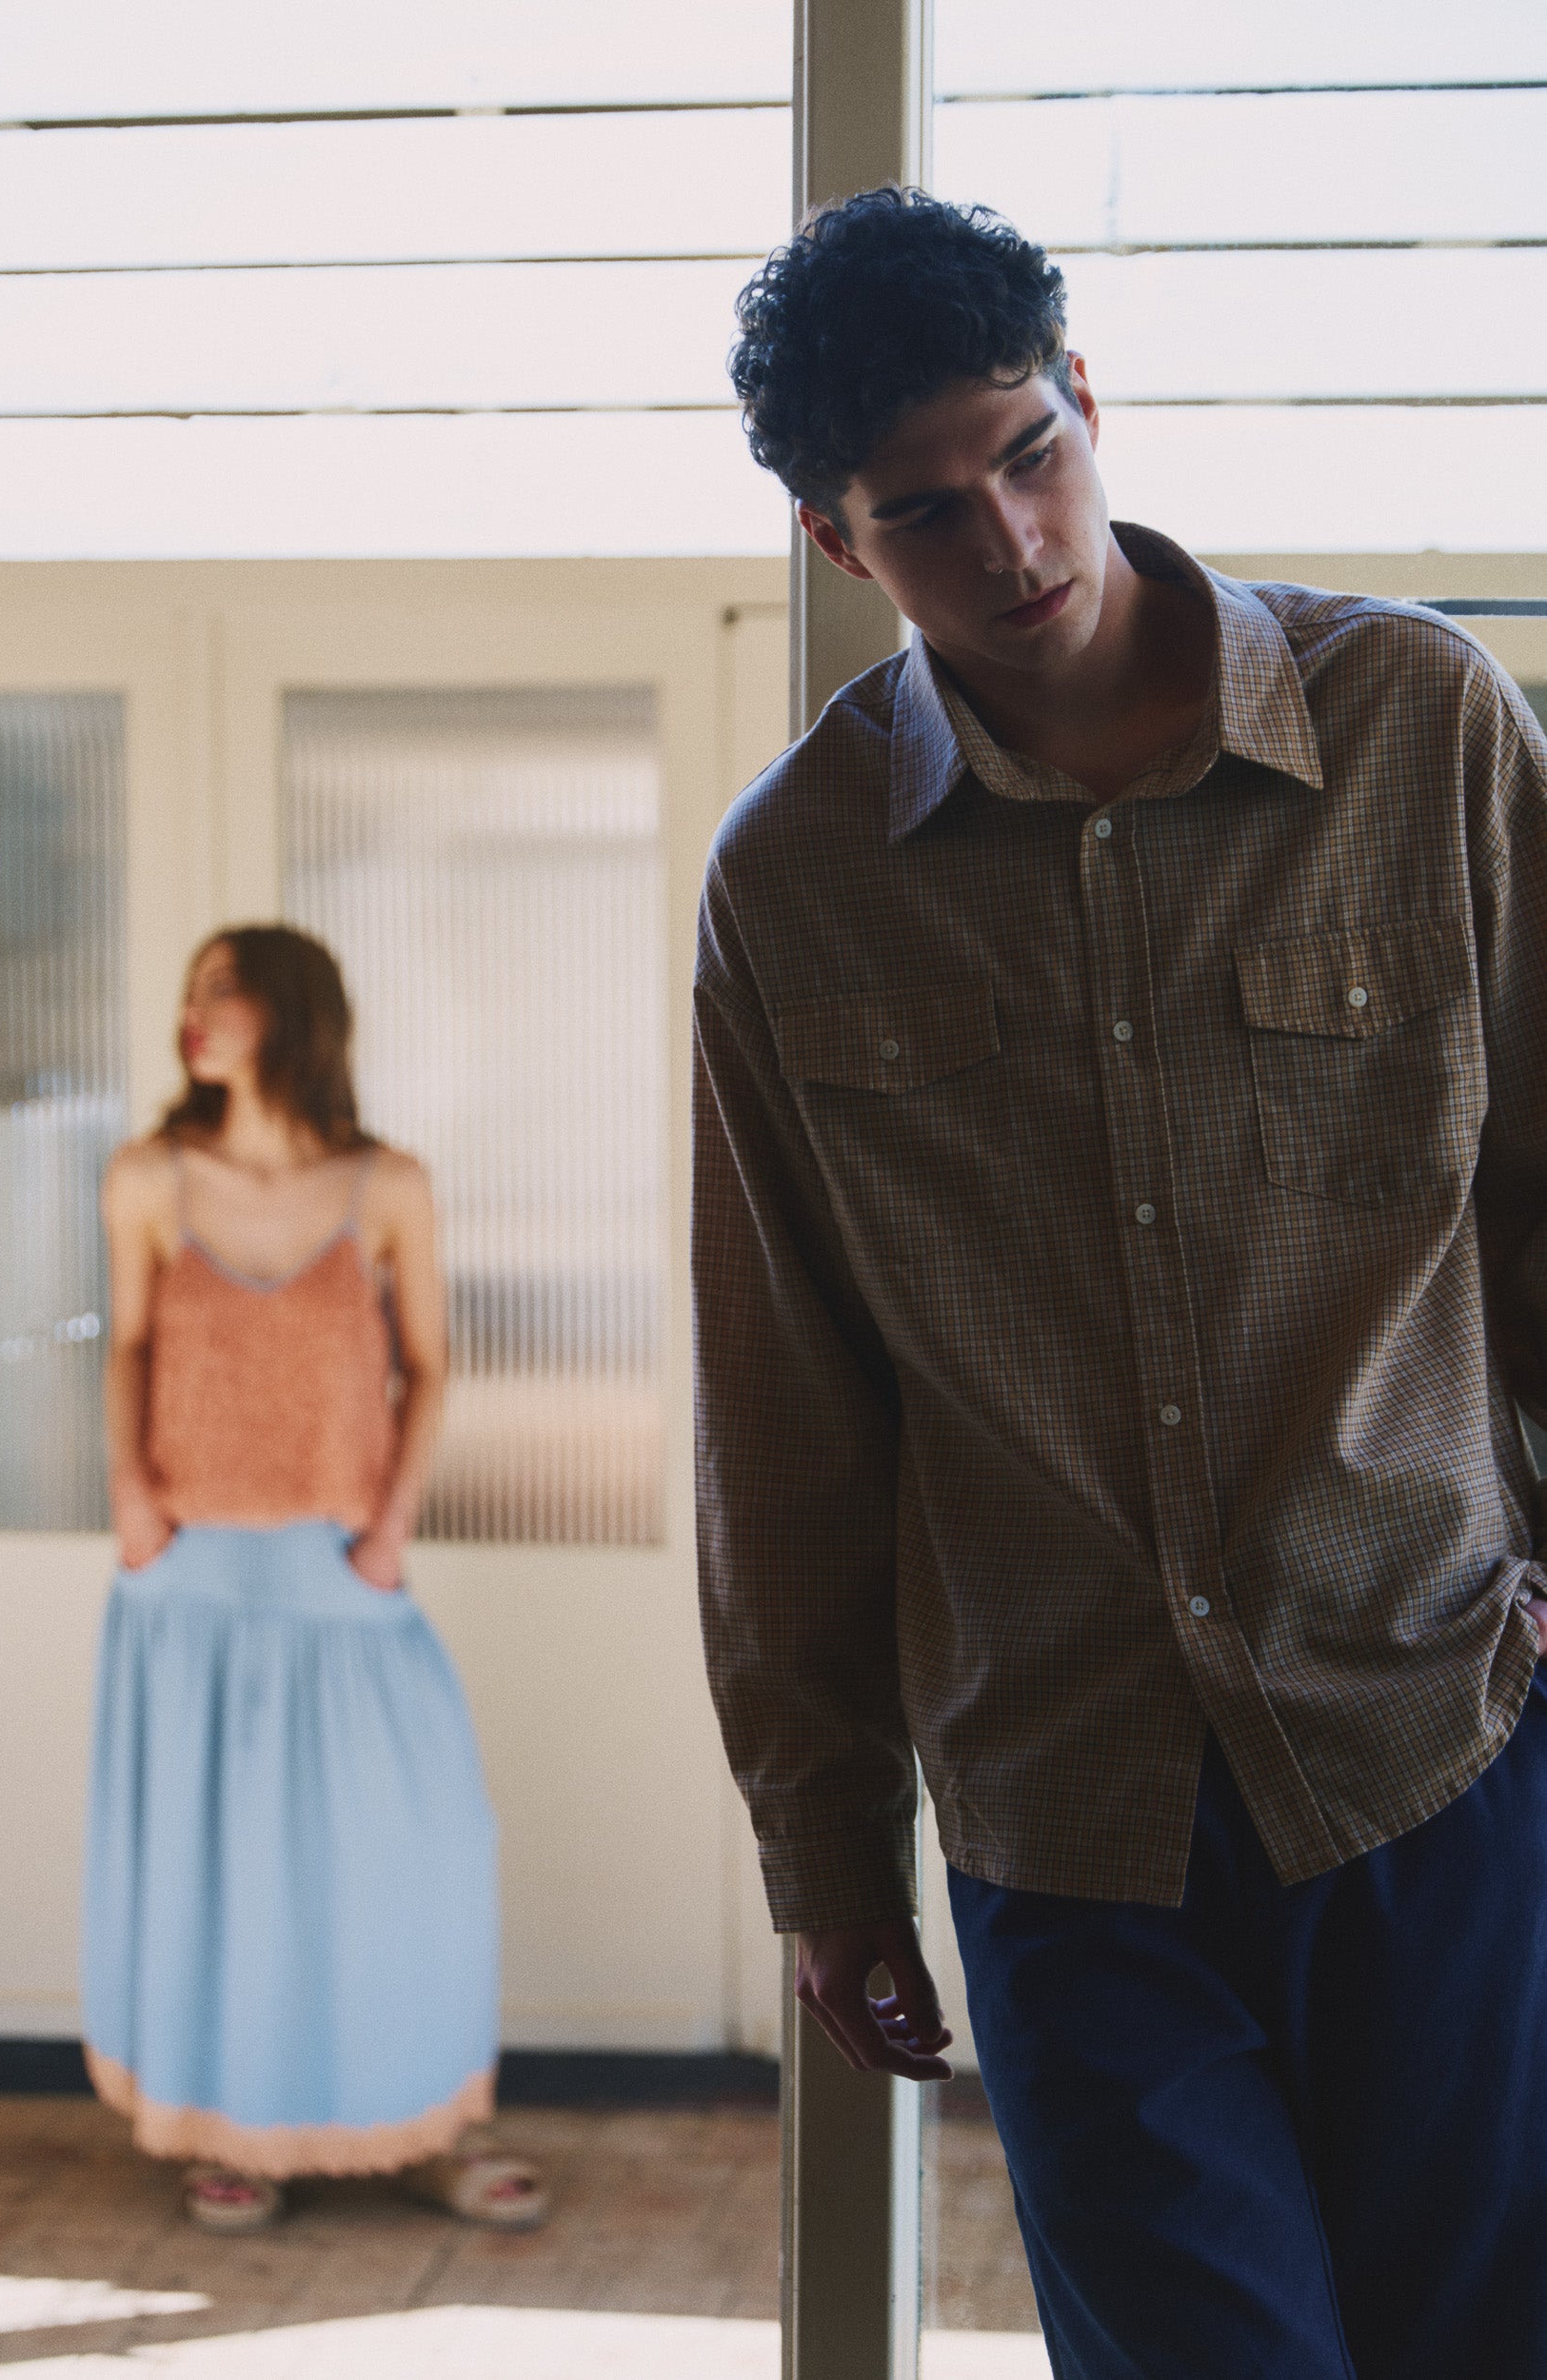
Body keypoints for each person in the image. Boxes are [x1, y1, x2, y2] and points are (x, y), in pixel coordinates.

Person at [692, 186, 1547, 2379]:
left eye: (1027, 450)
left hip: (1438, 1755)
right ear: (835, 542)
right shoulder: (793, 886)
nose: (1009, 535)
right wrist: (823, 1834)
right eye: (924, 510)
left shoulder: (1425, 727)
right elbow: (787, 1395)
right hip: (1073, 1828)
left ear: (1088, 396)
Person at [83, 923, 545, 2233]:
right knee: (217, 1873)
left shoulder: (386, 1185)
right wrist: (129, 1498)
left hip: (342, 1572)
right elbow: (123, 1346)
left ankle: (426, 2124)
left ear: (291, 1009)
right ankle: (235, 2136)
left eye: (221, 988)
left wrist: (391, 1524)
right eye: (189, 991)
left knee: (413, 1858)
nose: (195, 1010)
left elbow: (435, 1368)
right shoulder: (147, 1179)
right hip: (185, 1581)